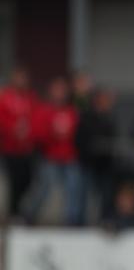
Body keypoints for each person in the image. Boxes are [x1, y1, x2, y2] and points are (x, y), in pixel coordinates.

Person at [23, 77, 82, 225]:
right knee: (45, 187)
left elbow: (78, 135)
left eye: (62, 90)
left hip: (69, 158)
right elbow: (36, 133)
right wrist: (52, 134)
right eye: (57, 89)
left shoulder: (71, 111)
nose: (59, 93)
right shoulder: (44, 110)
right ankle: (29, 216)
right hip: (49, 157)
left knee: (73, 188)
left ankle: (72, 221)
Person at [0, 66, 38, 220]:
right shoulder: (5, 97)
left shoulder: (30, 97)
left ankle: (19, 210)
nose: (21, 81)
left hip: (27, 148)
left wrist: (29, 131)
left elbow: (36, 117)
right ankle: (14, 212)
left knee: (28, 180)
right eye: (18, 78)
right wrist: (13, 128)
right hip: (10, 148)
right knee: (14, 181)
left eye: (23, 78)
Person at [76, 87, 118, 223]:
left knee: (106, 194)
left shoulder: (110, 118)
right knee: (84, 195)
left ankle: (103, 220)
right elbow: (81, 139)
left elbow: (112, 140)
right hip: (88, 163)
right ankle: (80, 222)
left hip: (105, 165)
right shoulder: (87, 116)